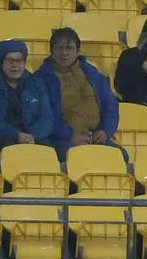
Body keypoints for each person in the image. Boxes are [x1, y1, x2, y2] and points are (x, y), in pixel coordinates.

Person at [35, 28, 120, 160]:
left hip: (95, 137)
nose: (64, 53)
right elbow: (44, 116)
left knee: (121, 156)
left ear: (78, 51)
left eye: (69, 48)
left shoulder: (93, 74)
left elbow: (110, 105)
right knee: (75, 157)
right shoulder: (40, 79)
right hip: (60, 140)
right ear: (51, 51)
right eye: (59, 48)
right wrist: (70, 136)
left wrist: (105, 131)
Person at [0, 40, 56, 159]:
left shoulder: (35, 84)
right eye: (10, 61)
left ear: (24, 63)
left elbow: (46, 117)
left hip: (29, 136)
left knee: (48, 152)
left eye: (19, 61)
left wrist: (32, 135)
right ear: (1, 63)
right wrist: (15, 135)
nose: (15, 65)